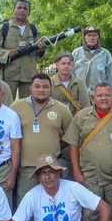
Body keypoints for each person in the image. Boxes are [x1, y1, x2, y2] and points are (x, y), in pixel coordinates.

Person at [66, 83, 112, 221]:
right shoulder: (82, 116)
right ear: (93, 98)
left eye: (107, 95)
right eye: (100, 95)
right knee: (89, 215)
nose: (104, 98)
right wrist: (76, 172)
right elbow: (73, 145)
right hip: (89, 177)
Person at [13, 155, 111, 221]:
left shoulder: (73, 188)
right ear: (38, 177)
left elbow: (104, 208)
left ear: (59, 173)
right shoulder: (32, 195)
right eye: (43, 173)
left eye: (51, 171)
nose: (47, 177)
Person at [11, 73, 72, 203]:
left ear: (51, 89)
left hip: (52, 169)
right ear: (30, 88)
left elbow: (70, 138)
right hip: (26, 169)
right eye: (37, 86)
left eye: (45, 87)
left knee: (51, 205)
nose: (41, 90)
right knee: (26, 207)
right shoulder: (16, 107)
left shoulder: (62, 110)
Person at [0, 0, 46, 99]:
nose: (22, 10)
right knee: (6, 104)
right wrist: (7, 53)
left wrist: (42, 50)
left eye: (25, 8)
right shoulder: (4, 28)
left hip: (28, 75)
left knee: (27, 105)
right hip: (8, 75)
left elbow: (41, 54)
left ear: (29, 12)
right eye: (19, 8)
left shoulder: (33, 29)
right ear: (14, 10)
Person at [72, 26, 112, 93]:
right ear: (84, 37)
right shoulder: (76, 53)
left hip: (100, 94)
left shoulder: (105, 54)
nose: (92, 38)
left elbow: (111, 75)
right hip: (80, 93)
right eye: (89, 35)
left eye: (94, 35)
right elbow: (70, 74)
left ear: (98, 37)